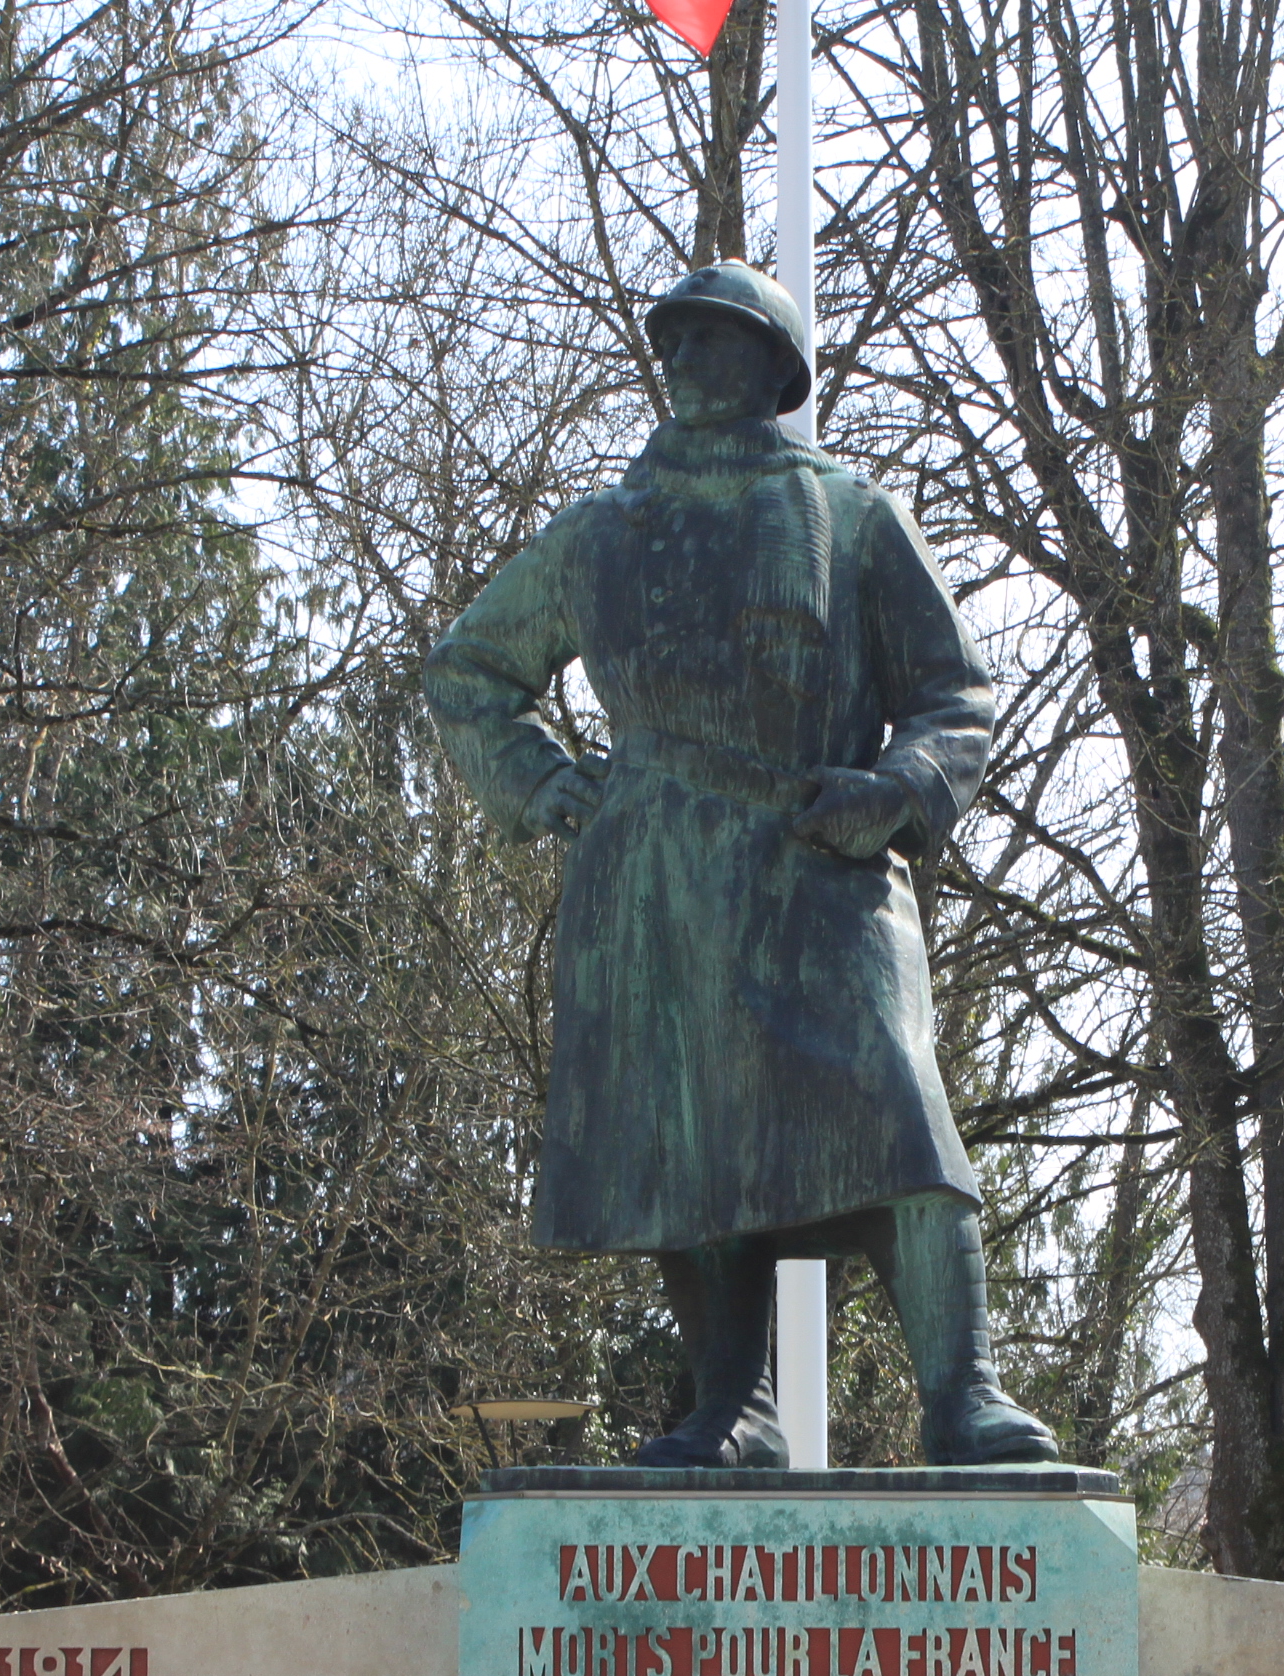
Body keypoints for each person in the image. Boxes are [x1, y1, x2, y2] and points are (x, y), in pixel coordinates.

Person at [423, 262, 1057, 1468]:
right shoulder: (603, 532)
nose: (693, 359)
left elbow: (953, 691)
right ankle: (733, 1409)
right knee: (699, 1151)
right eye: (680, 340)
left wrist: (902, 788)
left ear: (778, 366)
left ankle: (962, 1396)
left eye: (722, 339)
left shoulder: (851, 514)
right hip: (656, 878)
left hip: (827, 863)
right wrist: (549, 784)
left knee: (902, 1114)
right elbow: (468, 673)